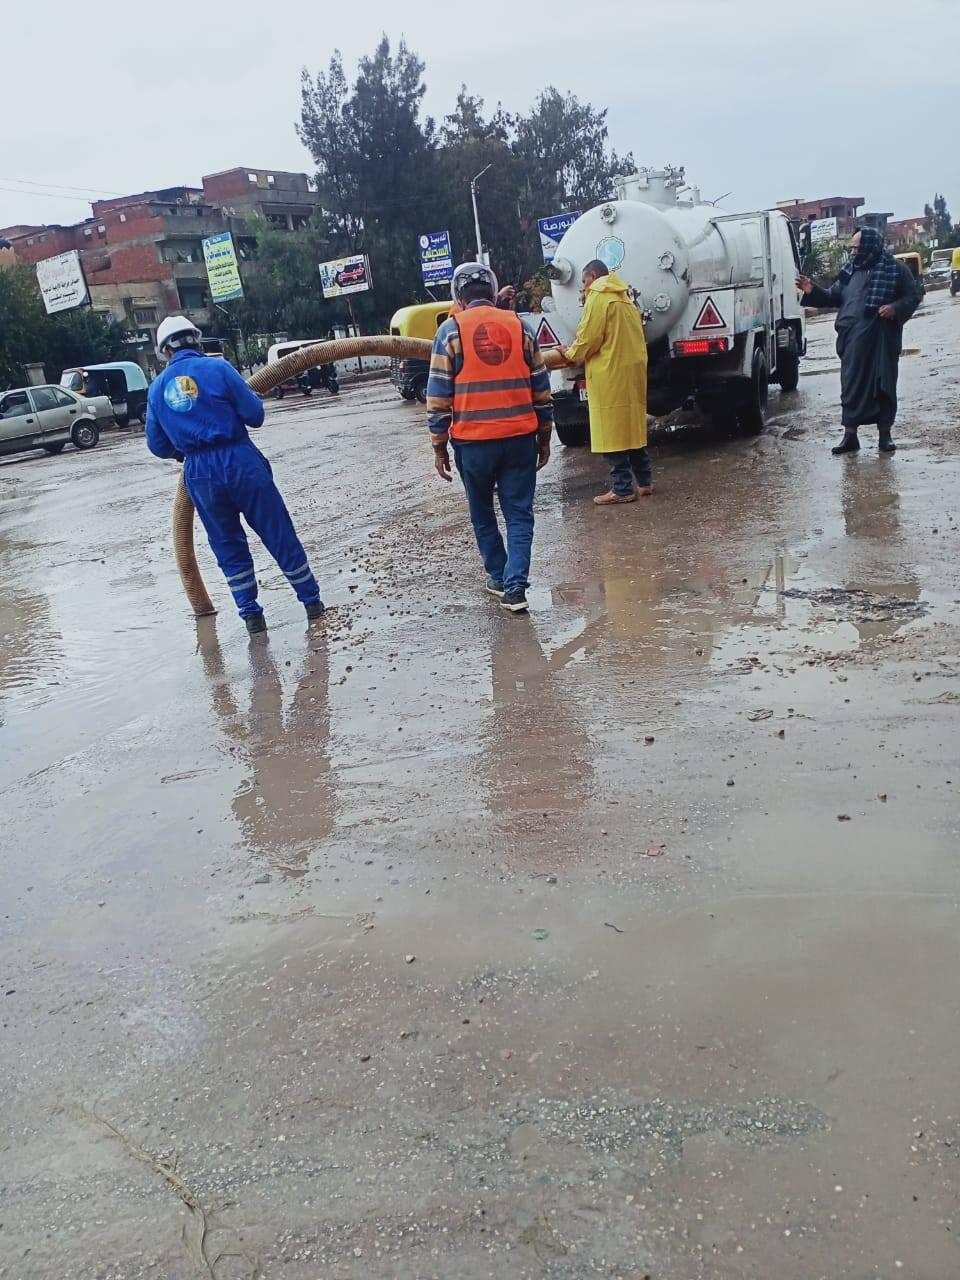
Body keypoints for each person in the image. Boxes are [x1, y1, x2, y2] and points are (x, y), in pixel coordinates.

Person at [145, 316, 324, 635]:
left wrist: (186, 453)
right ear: (197, 341)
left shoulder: (157, 390)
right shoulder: (219, 368)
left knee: (226, 544)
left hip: (199, 474)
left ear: (164, 352)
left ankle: (252, 618)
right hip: (241, 461)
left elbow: (157, 445)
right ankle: (312, 604)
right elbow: (255, 415)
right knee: (277, 530)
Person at [427, 262, 553, 613]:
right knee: (519, 514)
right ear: (493, 292)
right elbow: (542, 390)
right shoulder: (521, 327)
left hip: (473, 445)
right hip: (520, 438)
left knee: (482, 512)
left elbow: (438, 398)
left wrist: (439, 448)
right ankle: (516, 587)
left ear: (458, 297)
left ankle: (499, 577)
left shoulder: (449, 332)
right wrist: (545, 438)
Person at [797, 227, 920, 455]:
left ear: (870, 246)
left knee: (883, 385)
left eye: (856, 247)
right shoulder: (849, 271)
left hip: (882, 341)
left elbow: (913, 296)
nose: (853, 252)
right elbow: (833, 297)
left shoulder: (896, 269)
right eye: (852, 248)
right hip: (852, 340)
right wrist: (812, 290)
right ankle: (850, 436)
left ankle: (885, 435)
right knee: (851, 386)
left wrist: (895, 308)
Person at [561, 259, 651, 506]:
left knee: (612, 432)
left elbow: (588, 337)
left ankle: (622, 489)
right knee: (632, 429)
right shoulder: (624, 298)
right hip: (631, 372)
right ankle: (644, 482)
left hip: (610, 373)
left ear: (593, 276)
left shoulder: (598, 298)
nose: (583, 287)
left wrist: (570, 355)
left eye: (584, 281)